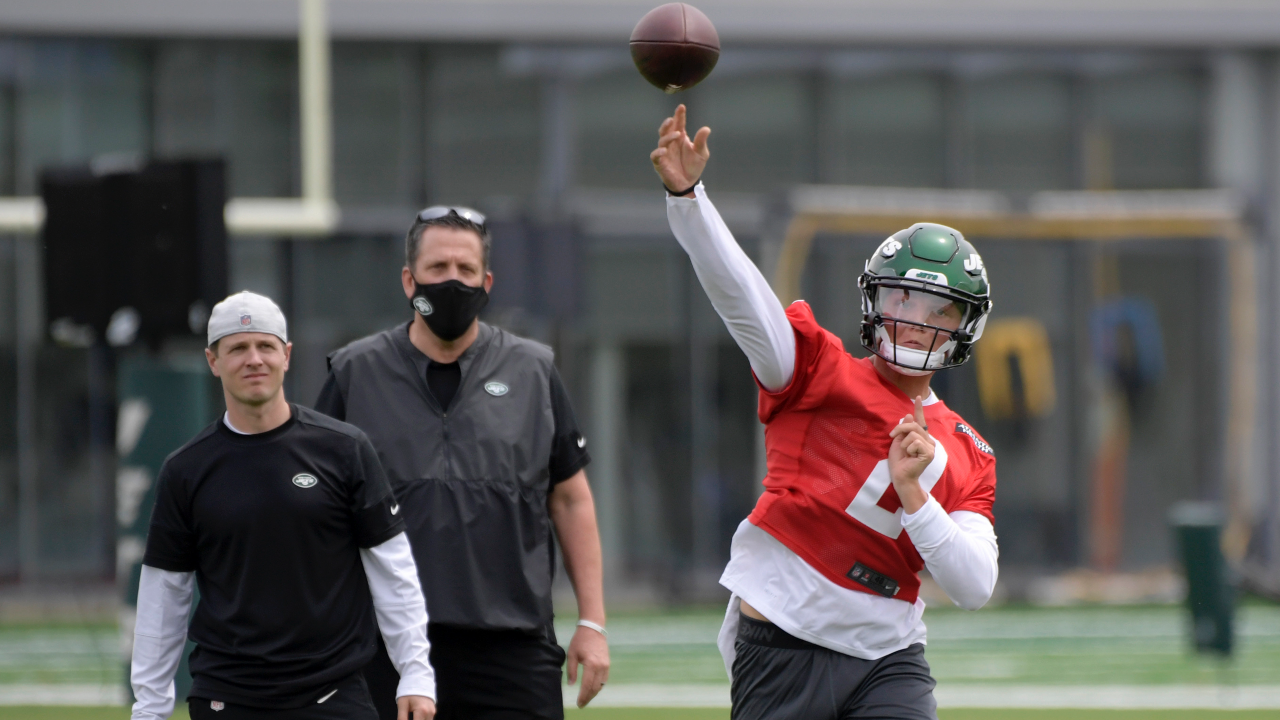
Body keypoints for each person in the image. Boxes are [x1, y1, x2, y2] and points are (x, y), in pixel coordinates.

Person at [651, 104, 1000, 720]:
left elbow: (974, 587)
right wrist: (689, 199)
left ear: (963, 327)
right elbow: (742, 299)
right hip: (785, 634)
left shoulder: (968, 448)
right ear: (874, 300)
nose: (916, 322)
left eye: (938, 310)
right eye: (902, 298)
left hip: (890, 652)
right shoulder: (816, 370)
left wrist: (915, 497)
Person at [314, 207, 609, 720]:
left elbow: (570, 497)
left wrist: (594, 622)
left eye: (465, 270)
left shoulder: (534, 370)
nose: (452, 280)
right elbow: (316, 511)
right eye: (437, 268)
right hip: (388, 646)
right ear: (410, 280)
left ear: (486, 281)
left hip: (512, 644)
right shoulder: (355, 372)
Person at [129, 291, 436, 720]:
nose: (254, 359)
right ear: (213, 361)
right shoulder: (185, 470)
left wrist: (416, 674)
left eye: (265, 346)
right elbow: (164, 595)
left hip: (333, 696)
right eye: (237, 348)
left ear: (286, 355)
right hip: (228, 698)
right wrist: (149, 708)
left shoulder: (345, 449)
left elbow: (393, 570)